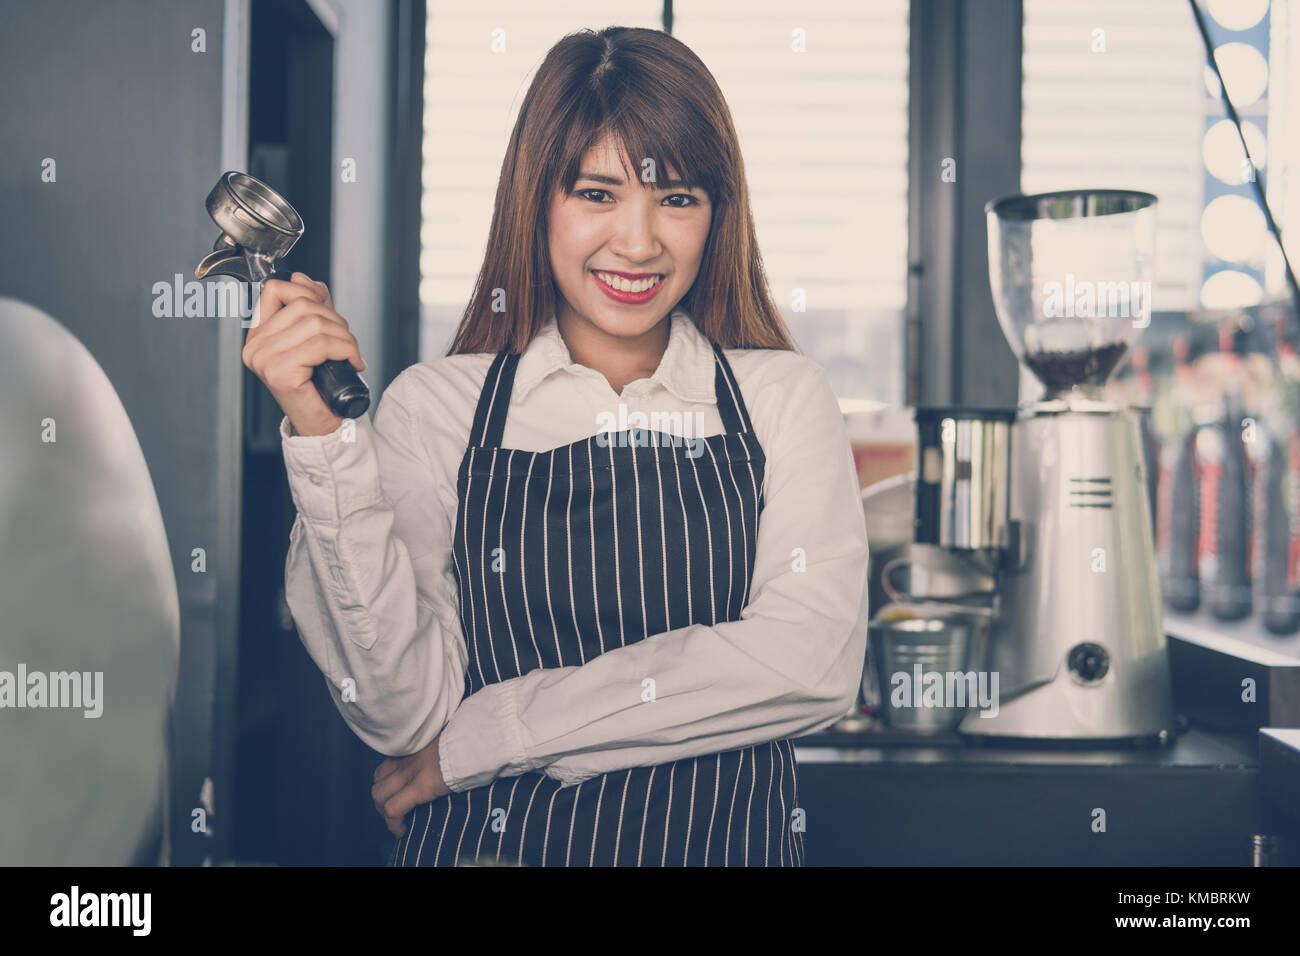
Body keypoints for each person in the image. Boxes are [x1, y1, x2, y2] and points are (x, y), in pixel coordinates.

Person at [242, 25, 869, 867]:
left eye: (677, 198)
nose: (639, 242)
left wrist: (493, 736)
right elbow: (401, 713)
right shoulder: (438, 408)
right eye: (598, 194)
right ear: (537, 200)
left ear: (719, 215)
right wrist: (322, 435)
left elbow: (811, 662)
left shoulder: (780, 398)